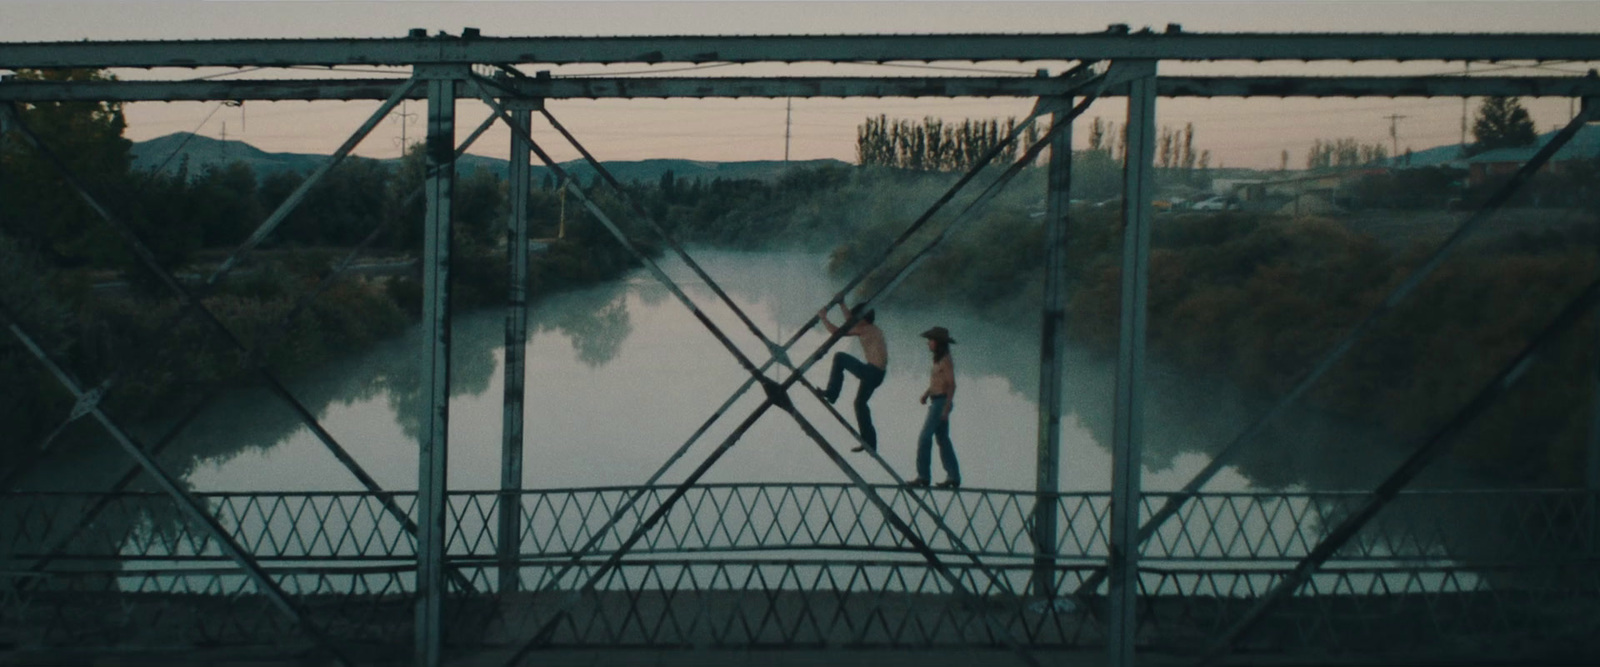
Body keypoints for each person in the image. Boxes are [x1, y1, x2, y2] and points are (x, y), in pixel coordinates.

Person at [819, 302, 887, 452]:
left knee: (839, 358)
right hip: (878, 374)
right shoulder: (871, 329)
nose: (855, 319)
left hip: (872, 372)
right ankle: (870, 443)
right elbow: (850, 321)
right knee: (860, 404)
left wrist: (823, 318)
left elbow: (837, 332)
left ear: (863, 318)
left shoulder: (866, 329)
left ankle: (832, 393)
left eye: (858, 317)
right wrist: (842, 304)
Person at [908, 326, 960, 489]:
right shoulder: (938, 360)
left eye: (930, 341)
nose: (928, 344)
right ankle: (953, 476)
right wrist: (926, 393)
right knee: (943, 439)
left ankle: (923, 476)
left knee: (925, 438)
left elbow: (951, 385)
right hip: (936, 400)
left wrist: (946, 408)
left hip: (940, 403)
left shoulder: (945, 360)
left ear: (938, 343)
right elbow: (938, 382)